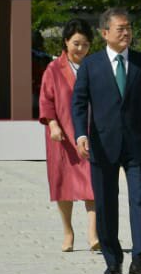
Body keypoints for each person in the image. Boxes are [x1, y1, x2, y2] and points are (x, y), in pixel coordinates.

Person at [71, 8, 141, 274]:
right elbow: (78, 103)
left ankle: (140, 259)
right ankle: (113, 259)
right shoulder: (91, 65)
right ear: (104, 33)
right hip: (102, 144)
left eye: (129, 28)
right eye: (120, 28)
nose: (126, 33)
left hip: (139, 145)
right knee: (105, 203)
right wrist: (81, 135)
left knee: (139, 201)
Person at [39, 18, 98, 253]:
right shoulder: (53, 69)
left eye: (85, 44)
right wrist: (53, 124)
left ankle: (93, 233)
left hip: (91, 134)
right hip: (62, 136)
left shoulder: (95, 67)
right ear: (66, 42)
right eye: (76, 44)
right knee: (63, 185)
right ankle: (68, 232)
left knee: (93, 183)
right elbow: (46, 100)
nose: (80, 49)